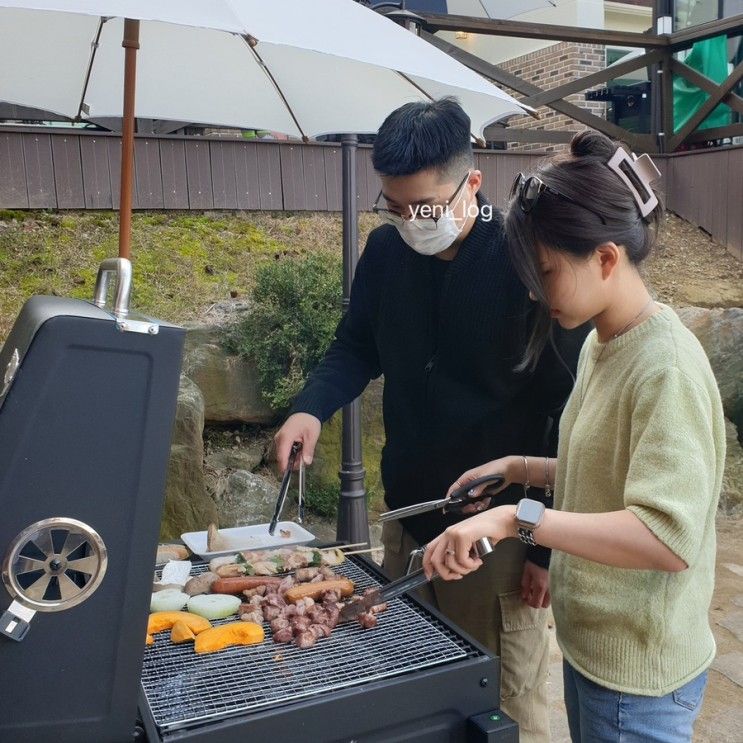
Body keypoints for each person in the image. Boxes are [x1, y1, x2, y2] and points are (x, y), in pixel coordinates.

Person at [274, 97, 587, 742]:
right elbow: (356, 343)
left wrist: (546, 554)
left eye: (422, 207)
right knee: (415, 695)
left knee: (505, 707)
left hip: (500, 541)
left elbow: (568, 406)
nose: (408, 220)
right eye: (392, 204)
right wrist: (311, 408)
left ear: (472, 183)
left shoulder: (528, 264)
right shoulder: (387, 255)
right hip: (410, 521)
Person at [422, 130, 726, 743]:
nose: (537, 291)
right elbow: (604, 469)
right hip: (595, 654)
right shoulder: (602, 342)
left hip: (640, 680)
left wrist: (515, 521)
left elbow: (665, 537)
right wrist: (517, 468)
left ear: (607, 259)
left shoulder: (665, 367)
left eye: (548, 272)